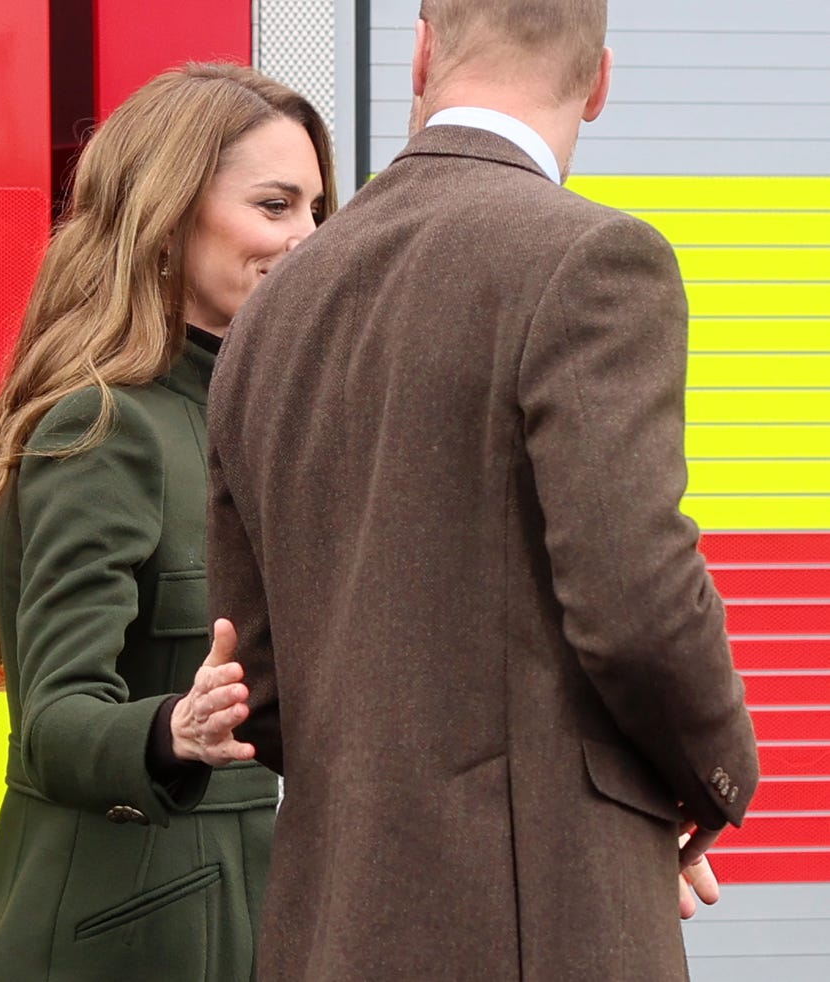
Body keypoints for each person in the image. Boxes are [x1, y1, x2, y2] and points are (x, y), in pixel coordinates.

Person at [205, 2, 760, 978]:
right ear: (598, 81)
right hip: (536, 924)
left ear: (421, 54)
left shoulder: (273, 305)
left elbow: (258, 679)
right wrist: (706, 775)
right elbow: (634, 599)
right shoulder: (593, 260)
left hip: (328, 927)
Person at [0, 63, 335, 981]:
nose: (308, 236)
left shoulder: (274, 421)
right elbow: (55, 723)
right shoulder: (102, 429)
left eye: (316, 208)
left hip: (263, 913)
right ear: (170, 221)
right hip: (131, 935)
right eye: (274, 206)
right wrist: (174, 729)